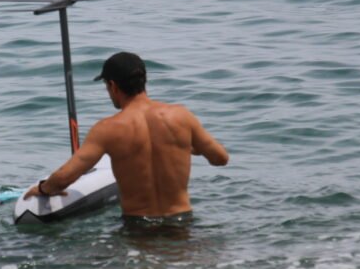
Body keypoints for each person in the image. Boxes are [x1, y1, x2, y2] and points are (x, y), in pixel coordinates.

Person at [23, 52, 228, 229]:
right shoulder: (182, 116)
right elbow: (220, 158)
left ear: (112, 85)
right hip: (182, 222)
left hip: (139, 227)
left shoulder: (108, 129)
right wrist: (190, 147)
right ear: (143, 80)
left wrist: (42, 189)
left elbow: (65, 177)